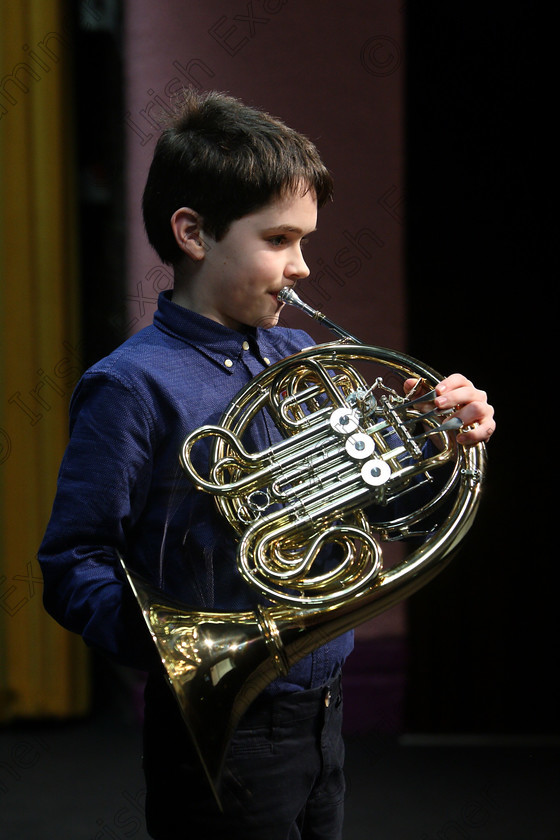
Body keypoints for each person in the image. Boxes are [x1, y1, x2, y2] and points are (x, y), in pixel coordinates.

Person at [38, 89, 495, 840]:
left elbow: (379, 511)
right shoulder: (131, 385)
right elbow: (72, 561)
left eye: (307, 242)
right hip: (227, 718)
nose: (303, 266)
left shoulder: (300, 358)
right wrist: (186, 650)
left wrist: (437, 448)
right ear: (193, 233)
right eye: (280, 240)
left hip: (321, 705)